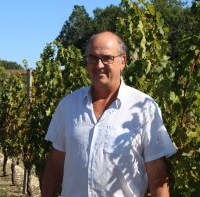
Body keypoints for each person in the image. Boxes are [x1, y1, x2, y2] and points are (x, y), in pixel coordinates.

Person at [41, 31, 176, 197]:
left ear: (123, 61)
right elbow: (55, 164)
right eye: (92, 57)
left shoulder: (144, 107)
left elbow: (158, 176)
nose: (99, 65)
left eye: (107, 58)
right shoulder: (68, 105)